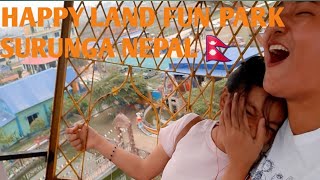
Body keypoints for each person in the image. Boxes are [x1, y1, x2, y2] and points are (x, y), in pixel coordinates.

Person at [66, 56, 287, 180]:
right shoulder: (190, 128)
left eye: (271, 126)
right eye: (249, 112)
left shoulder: (267, 170)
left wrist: (239, 166)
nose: (256, 130)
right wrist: (96, 141)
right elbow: (144, 170)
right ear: (225, 100)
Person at [221, 2, 320, 180]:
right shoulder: (268, 131)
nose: (274, 26)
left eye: (303, 12)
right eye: (274, 15)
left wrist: (237, 168)